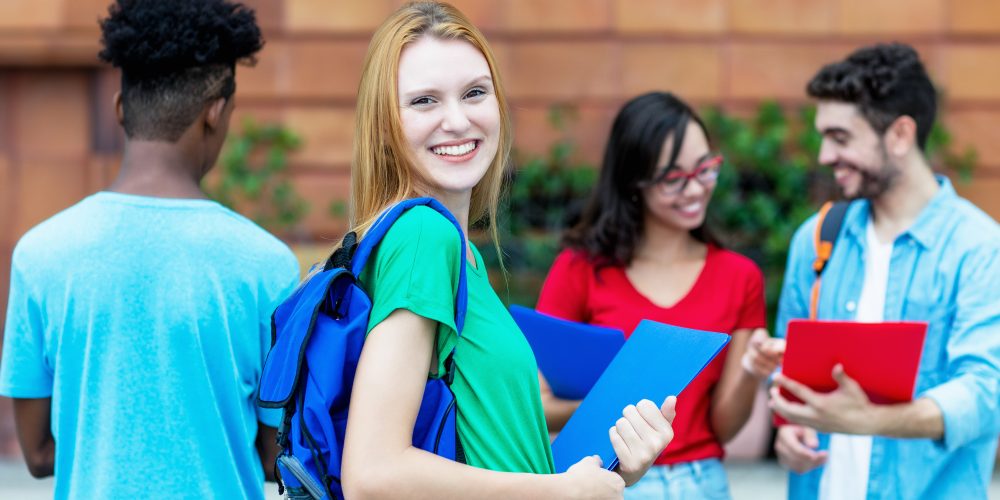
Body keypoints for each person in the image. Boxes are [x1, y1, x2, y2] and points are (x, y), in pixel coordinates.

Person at [338, 3, 678, 499]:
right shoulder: (422, 240)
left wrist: (607, 473)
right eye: (424, 101)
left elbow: (497, 456)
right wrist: (560, 494)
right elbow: (373, 473)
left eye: (475, 92)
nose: (457, 120)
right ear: (385, 126)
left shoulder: (458, 252)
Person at [0, 1, 299, 498]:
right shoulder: (266, 264)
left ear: (120, 108)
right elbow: (274, 453)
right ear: (216, 112)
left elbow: (35, 454)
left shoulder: (40, 254)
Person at [770, 43, 1000, 499]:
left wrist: (868, 421)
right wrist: (789, 432)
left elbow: (984, 395)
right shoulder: (815, 240)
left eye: (840, 137)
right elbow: (791, 383)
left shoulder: (979, 248)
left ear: (899, 135)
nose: (823, 155)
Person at [535, 92, 783, 499]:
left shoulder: (740, 277)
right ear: (634, 182)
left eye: (705, 169)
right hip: (607, 479)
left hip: (702, 482)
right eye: (673, 177)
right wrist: (610, 400)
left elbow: (724, 426)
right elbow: (537, 406)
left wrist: (753, 372)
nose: (695, 188)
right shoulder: (579, 270)